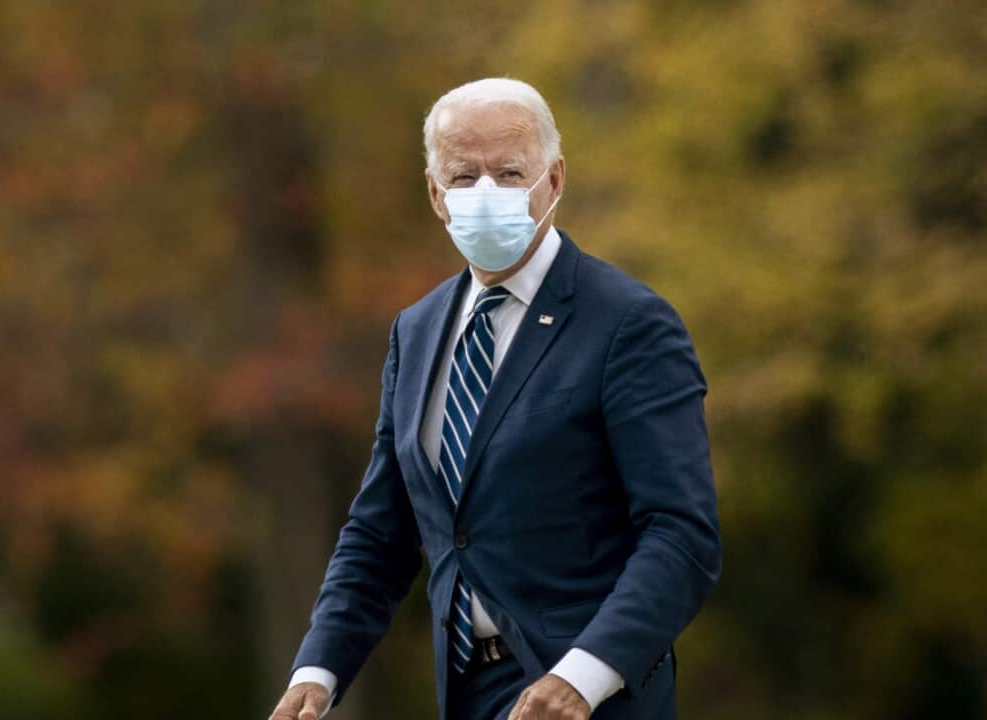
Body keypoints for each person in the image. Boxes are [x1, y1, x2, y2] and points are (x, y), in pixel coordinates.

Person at [266, 77, 721, 720]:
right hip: (468, 693)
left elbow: (681, 535)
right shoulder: (417, 331)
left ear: (554, 180)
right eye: (463, 175)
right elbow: (381, 533)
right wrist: (318, 669)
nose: (486, 194)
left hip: (591, 699)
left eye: (509, 173)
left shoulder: (627, 323)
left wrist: (583, 678)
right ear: (434, 193)